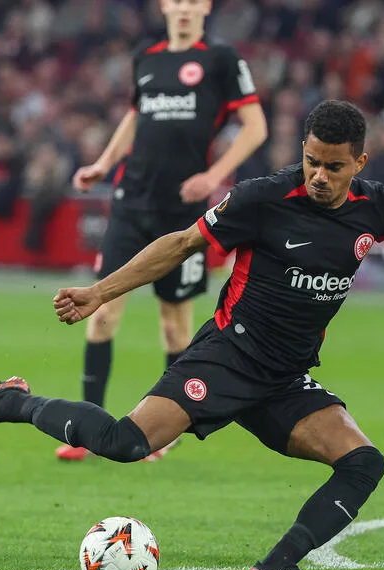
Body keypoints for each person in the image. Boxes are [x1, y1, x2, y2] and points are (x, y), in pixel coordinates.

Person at [0, 100, 384, 570]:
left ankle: (274, 568)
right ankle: (12, 399)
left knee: (365, 463)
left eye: (333, 166)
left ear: (360, 163)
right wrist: (100, 292)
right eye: (311, 162)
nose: (319, 176)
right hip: (227, 356)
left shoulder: (377, 207)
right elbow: (180, 244)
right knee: (125, 444)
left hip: (285, 380)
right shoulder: (264, 198)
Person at [61, 0, 268, 461]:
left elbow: (255, 128)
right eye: (176, 0)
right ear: (164, 6)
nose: (183, 8)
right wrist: (103, 163)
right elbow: (135, 117)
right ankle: (89, 427)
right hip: (130, 202)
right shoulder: (147, 57)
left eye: (193, 1)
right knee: (103, 310)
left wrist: (215, 176)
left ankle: (167, 429)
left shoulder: (222, 59)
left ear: (205, 7)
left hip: (183, 213)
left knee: (174, 322)